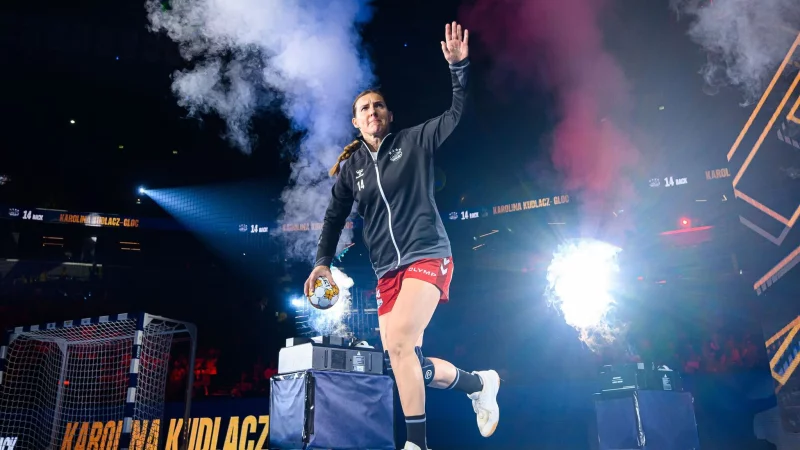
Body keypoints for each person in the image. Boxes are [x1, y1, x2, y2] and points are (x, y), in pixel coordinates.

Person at [305, 21, 500, 450]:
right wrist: (322, 263)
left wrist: (459, 68)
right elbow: (334, 218)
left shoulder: (413, 142)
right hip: (387, 273)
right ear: (355, 121)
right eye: (364, 108)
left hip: (427, 253)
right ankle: (478, 384)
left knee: (397, 344)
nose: (372, 111)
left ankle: (416, 444)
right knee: (407, 361)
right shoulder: (351, 170)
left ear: (389, 116)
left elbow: (457, 114)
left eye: (378, 106)